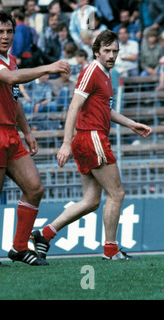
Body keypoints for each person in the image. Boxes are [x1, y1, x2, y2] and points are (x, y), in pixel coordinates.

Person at [31, 30, 152, 261]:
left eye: (115, 51)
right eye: (107, 51)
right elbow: (74, 107)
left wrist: (131, 124)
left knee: (91, 201)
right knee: (116, 193)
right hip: (91, 137)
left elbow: (106, 109)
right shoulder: (92, 71)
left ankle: (44, 234)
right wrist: (65, 143)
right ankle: (110, 250)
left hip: (89, 138)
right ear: (96, 52)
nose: (112, 55)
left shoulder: (106, 74)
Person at [0, 10, 70, 268]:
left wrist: (26, 132)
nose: (5, 36)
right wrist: (49, 67)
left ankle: (19, 247)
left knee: (35, 188)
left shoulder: (10, 59)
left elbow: (14, 99)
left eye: (9, 31)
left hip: (10, 134)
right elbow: (12, 78)